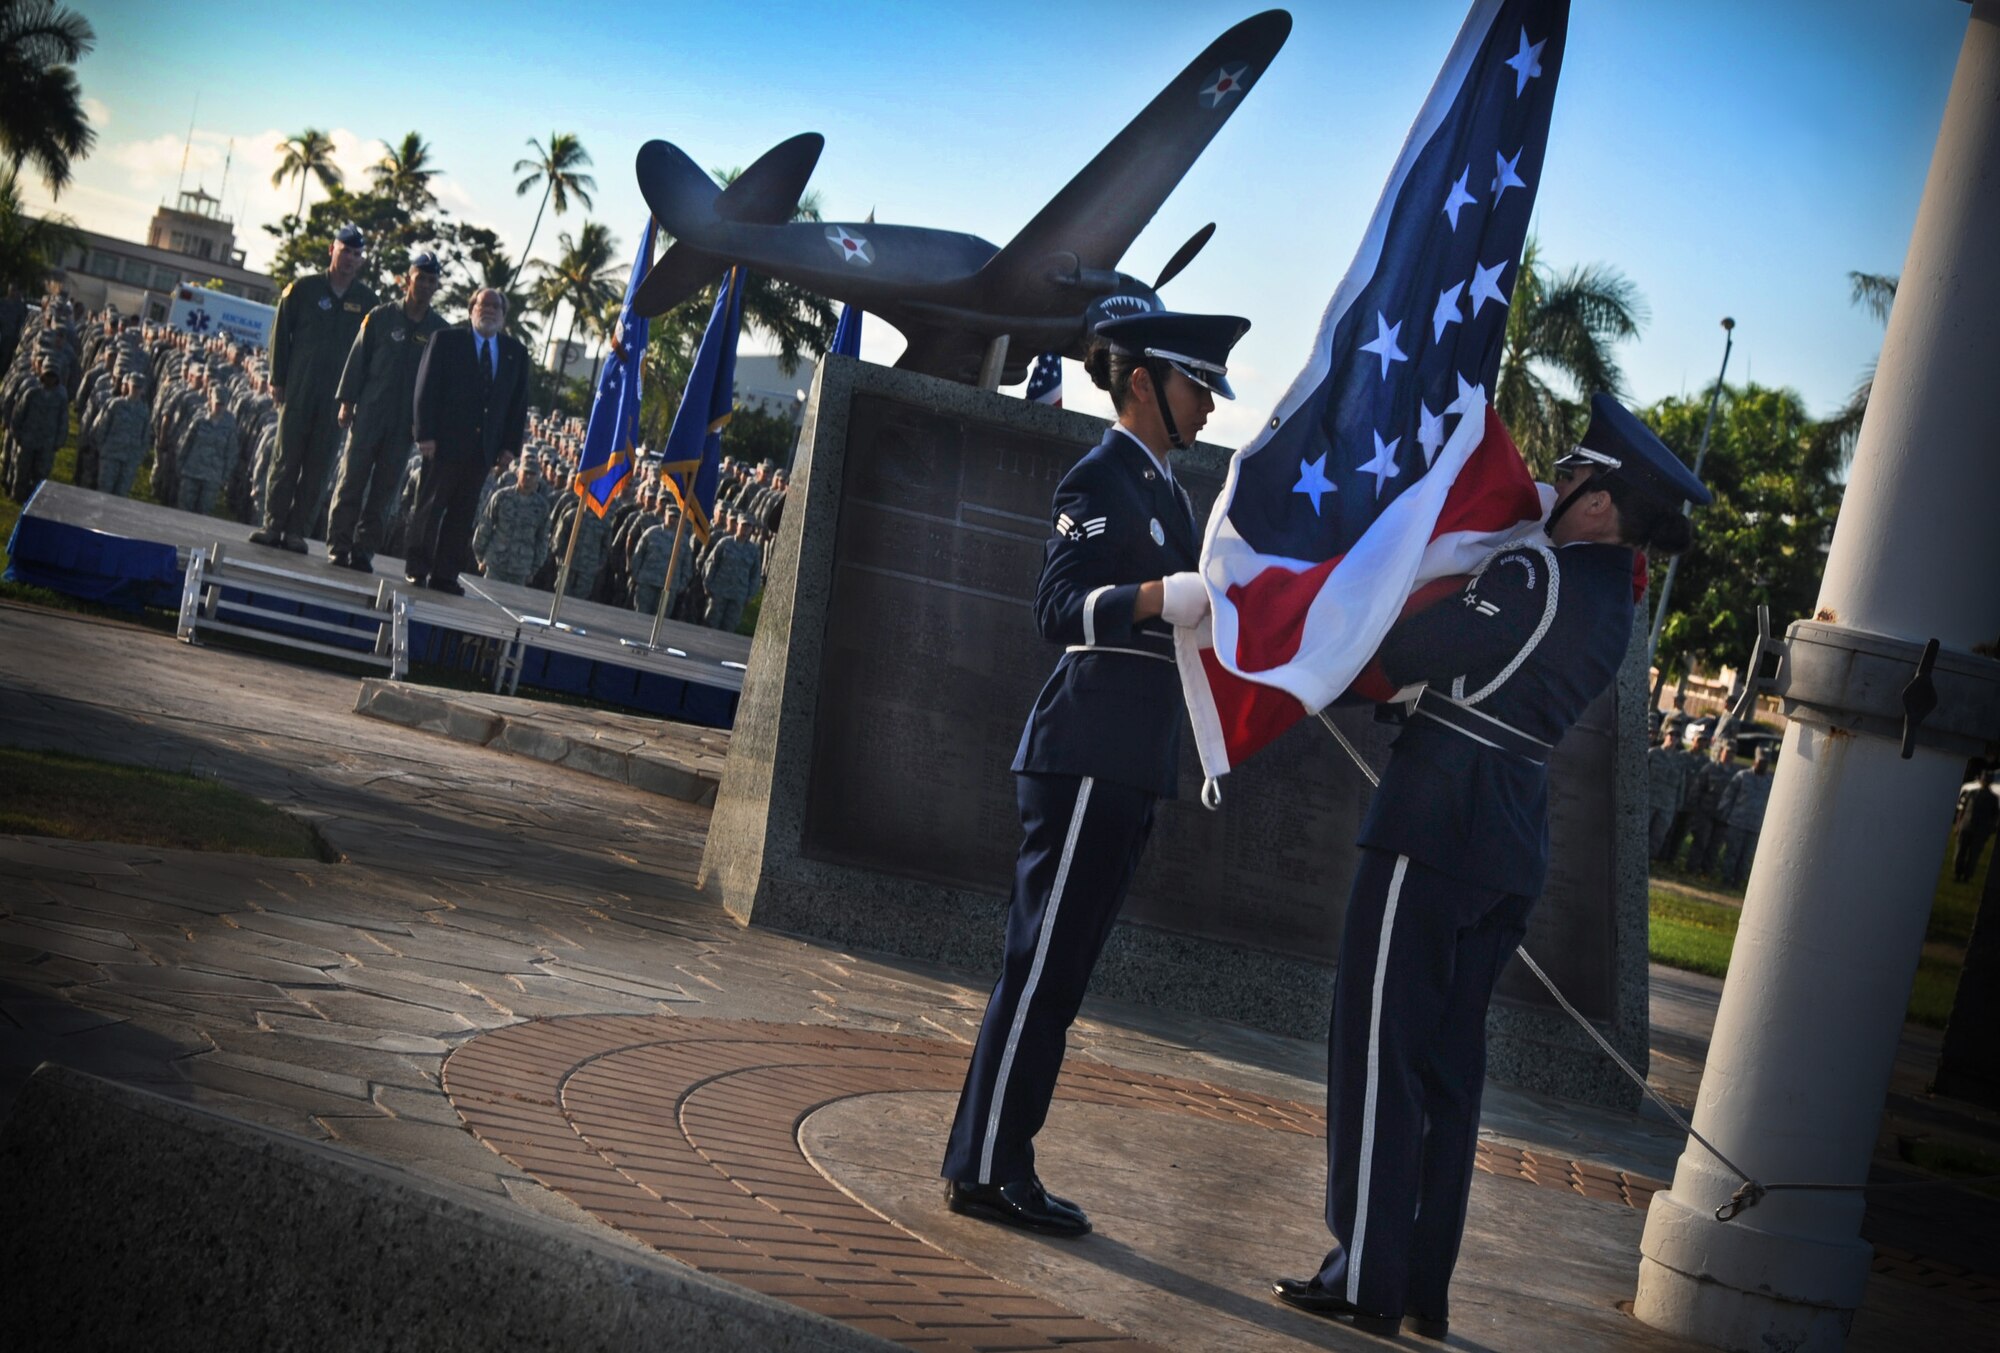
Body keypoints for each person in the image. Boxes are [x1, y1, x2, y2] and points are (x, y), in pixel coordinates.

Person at [1273, 393, 1711, 1338]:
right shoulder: (1611, 604)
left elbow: (1417, 645)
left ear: (1598, 504)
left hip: (1437, 821)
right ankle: (1420, 1284)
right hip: (1508, 831)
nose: (1558, 481)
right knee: (1444, 1071)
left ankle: (1363, 1275)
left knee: (1381, 1048)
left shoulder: (1537, 576)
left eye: (1577, 474)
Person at [941, 310, 1247, 1238]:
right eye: (1197, 385)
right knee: (1037, 971)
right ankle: (986, 1166)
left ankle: (1005, 1157)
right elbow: (1055, 606)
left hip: (1128, 760)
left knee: (1061, 978)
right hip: (1082, 754)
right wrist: (1155, 596)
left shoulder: (1171, 491)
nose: (1206, 404)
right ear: (1145, 383)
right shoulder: (1103, 476)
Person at [252, 224, 378, 552]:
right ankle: (272, 525)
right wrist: (277, 378)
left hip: (337, 399)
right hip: (299, 388)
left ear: (361, 260)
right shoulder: (303, 290)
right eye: (345, 250)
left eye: (356, 253)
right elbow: (280, 336)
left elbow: (371, 354)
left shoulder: (368, 302)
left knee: (319, 465)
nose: (350, 258)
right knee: (285, 458)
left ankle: (296, 532)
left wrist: (356, 397)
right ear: (331, 250)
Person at [326, 252, 447, 572]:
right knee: (351, 482)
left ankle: (364, 551)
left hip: (404, 425)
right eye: (420, 277)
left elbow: (439, 385)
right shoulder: (380, 317)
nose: (424, 284)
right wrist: (347, 403)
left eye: (431, 280)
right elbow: (357, 361)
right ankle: (338, 545)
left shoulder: (440, 332)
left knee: (384, 491)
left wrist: (427, 427)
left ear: (437, 287)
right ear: (408, 279)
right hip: (369, 415)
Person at [406, 287, 529, 594]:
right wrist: (425, 434)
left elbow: (517, 404)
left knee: (462, 515)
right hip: (443, 444)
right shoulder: (447, 341)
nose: (488, 311)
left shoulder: (515, 352)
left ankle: (445, 575)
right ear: (471, 309)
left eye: (495, 307)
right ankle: (417, 568)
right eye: (482, 305)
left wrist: (509, 448)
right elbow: (425, 389)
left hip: (482, 450)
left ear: (503, 316)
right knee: (430, 509)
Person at [471, 455, 549, 586]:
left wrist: (534, 569)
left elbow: (542, 539)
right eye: (526, 473)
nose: (528, 477)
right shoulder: (502, 496)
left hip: (521, 568)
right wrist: (480, 556)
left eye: (532, 474)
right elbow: (485, 525)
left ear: (538, 478)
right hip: (496, 562)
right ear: (518, 473)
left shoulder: (541, 506)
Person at [1715, 747, 1775, 889]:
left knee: (1746, 857)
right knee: (1732, 853)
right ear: (1755, 760)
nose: (1763, 764)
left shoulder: (1770, 781)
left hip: (1755, 826)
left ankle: (1738, 882)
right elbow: (1728, 796)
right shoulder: (1742, 776)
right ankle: (1726, 880)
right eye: (1761, 761)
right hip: (1738, 822)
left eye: (1766, 762)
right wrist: (1724, 814)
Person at [7, 364, 69, 498]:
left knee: (41, 474)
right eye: (47, 375)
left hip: (47, 443)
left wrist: (59, 441)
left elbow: (63, 422)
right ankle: (17, 496)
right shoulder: (32, 393)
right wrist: (17, 434)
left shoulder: (60, 399)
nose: (50, 379)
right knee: (22, 470)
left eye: (53, 376)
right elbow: (18, 414)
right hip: (28, 439)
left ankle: (34, 500)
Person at [699, 512, 763, 631]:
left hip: (738, 596)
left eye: (749, 526)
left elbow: (755, 575)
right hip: (719, 591)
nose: (746, 529)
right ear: (737, 525)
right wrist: (707, 585)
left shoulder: (753, 550)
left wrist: (750, 595)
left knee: (729, 628)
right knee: (710, 624)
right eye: (744, 525)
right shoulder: (725, 543)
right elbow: (711, 563)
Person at [1646, 723, 1689, 860]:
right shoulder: (1653, 753)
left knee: (1658, 836)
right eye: (1671, 734)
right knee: (1640, 832)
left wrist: (1679, 805)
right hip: (1649, 800)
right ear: (1665, 735)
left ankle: (1649, 861)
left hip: (1667, 805)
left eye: (1677, 736)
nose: (1674, 738)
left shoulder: (1680, 760)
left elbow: (1681, 784)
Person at [1954, 769, 1998, 884]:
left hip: (1980, 830)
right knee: (1960, 852)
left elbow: (1994, 817)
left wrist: (1989, 830)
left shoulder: (1993, 799)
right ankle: (1957, 873)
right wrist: (1958, 825)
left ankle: (1966, 876)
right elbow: (1962, 810)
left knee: (1973, 855)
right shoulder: (1972, 793)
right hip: (1966, 826)